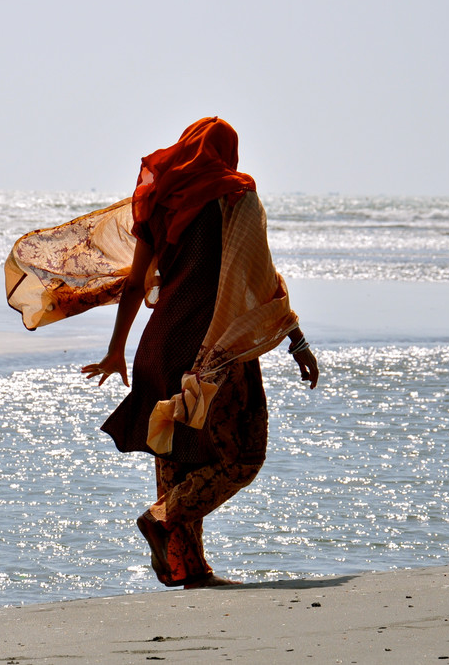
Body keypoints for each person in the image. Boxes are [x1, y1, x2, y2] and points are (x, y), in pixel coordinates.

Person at [80, 117, 320, 588]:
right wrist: (297, 340)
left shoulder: (158, 203)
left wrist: (116, 350)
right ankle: (161, 519)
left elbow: (134, 283)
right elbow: (260, 280)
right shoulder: (236, 197)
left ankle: (189, 570)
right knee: (242, 456)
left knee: (179, 456)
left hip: (162, 344)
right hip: (215, 349)